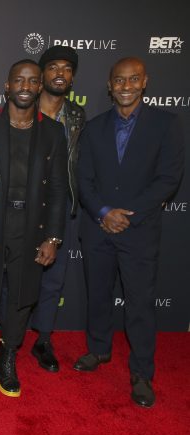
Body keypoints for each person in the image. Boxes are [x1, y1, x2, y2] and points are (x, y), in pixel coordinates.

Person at [75, 57, 184, 408]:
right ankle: (98, 351)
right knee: (99, 295)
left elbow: (168, 179)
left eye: (133, 79)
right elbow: (84, 179)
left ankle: (141, 373)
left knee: (139, 303)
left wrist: (128, 216)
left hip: (139, 232)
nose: (125, 86)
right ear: (110, 85)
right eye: (119, 80)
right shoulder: (93, 128)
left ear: (145, 82)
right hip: (98, 228)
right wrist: (105, 212)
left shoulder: (166, 125)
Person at [0, 60, 67, 398]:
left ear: (39, 87)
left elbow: (59, 189)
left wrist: (52, 237)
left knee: (22, 297)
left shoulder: (51, 131)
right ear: (7, 86)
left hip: (31, 227)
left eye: (32, 81)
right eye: (18, 80)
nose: (25, 85)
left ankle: (5, 358)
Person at [0, 45, 86, 373]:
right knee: (11, 276)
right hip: (19, 209)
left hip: (59, 206)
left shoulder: (77, 116)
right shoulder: (17, 111)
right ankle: (8, 339)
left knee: (53, 277)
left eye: (66, 69)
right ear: (39, 77)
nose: (59, 74)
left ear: (72, 77)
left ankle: (43, 338)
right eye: (52, 68)